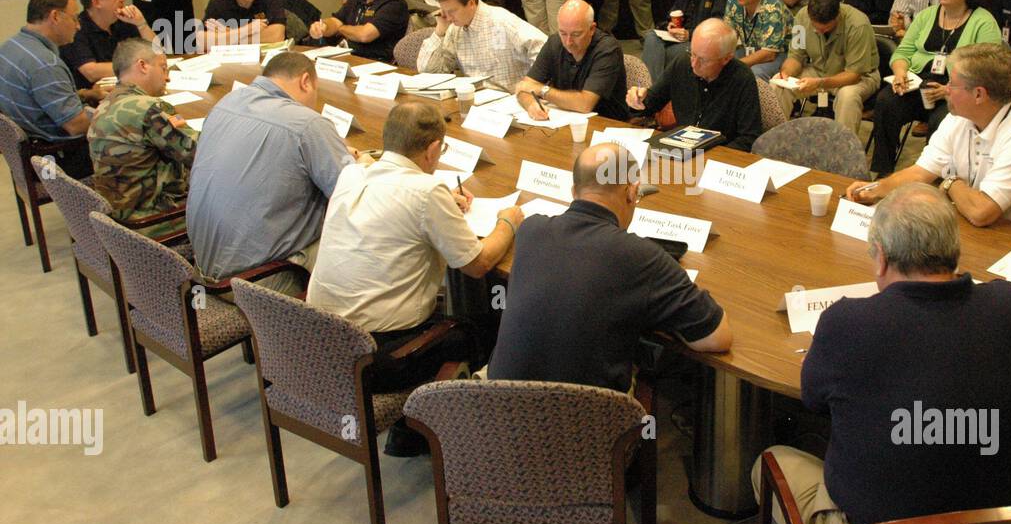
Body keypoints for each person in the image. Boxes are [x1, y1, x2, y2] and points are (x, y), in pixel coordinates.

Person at [753, 182, 1011, 524]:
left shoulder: (848, 323)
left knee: (769, 463)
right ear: (954, 250)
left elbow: (812, 400)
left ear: (881, 257)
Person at [307, 102, 523, 454]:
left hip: (324, 338)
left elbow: (394, 202)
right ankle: (423, 432)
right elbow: (478, 263)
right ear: (434, 148)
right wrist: (509, 221)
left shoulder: (352, 175)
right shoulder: (426, 192)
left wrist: (441, 206)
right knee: (481, 327)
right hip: (375, 355)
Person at [489, 143, 731, 392]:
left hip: (499, 415)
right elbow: (718, 337)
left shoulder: (531, 230)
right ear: (630, 192)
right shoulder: (643, 257)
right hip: (590, 425)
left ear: (574, 191)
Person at [187, 51, 357, 294]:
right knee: (363, 234)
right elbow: (351, 196)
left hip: (201, 273)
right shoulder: (307, 124)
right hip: (258, 287)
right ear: (305, 81)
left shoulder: (225, 103)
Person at [847, 44, 1011, 233]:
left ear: (979, 94)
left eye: (953, 84)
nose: (946, 90)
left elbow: (981, 211)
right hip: (973, 224)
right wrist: (872, 190)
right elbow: (920, 173)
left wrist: (949, 182)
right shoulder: (959, 118)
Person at [870, 0, 1002, 177]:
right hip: (917, 84)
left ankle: (933, 178)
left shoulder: (983, 21)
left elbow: (988, 67)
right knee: (886, 101)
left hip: (958, 91)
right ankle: (883, 171)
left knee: (941, 122)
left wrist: (950, 89)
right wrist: (900, 72)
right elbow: (903, 51)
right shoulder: (926, 16)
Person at [87, 39, 196, 238]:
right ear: (143, 66)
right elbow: (200, 155)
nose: (168, 78)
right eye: (164, 68)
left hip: (118, 219)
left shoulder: (105, 103)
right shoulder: (149, 109)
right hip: (154, 220)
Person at [0, 0, 100, 178]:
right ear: (55, 16)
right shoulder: (44, 64)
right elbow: (75, 125)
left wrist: (86, 94)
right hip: (57, 159)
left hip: (29, 153)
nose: (78, 26)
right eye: (74, 18)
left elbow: (37, 96)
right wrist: (116, 112)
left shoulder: (11, 47)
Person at [626, 18, 763, 152]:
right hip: (680, 149)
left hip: (718, 158)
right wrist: (637, 100)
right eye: (692, 54)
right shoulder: (682, 63)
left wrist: (710, 156)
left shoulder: (742, 78)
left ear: (726, 58)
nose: (694, 64)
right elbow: (651, 103)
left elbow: (749, 138)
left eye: (703, 60)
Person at [774, 0, 880, 140]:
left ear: (837, 15)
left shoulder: (858, 24)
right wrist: (786, 73)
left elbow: (854, 74)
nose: (819, 30)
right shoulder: (802, 17)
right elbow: (796, 56)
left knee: (848, 96)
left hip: (859, 76)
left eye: (825, 27)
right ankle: (775, 143)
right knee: (778, 86)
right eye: (815, 26)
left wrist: (820, 83)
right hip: (818, 70)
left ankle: (844, 152)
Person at [416, 0, 547, 91]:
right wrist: (439, 32)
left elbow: (544, 48)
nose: (448, 17)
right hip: (476, 99)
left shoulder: (501, 21)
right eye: (444, 11)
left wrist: (532, 84)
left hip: (510, 99)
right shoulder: (454, 29)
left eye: (452, 11)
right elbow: (429, 73)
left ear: (471, 3)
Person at [517, 0, 629, 121]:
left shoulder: (607, 49)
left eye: (576, 34)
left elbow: (585, 104)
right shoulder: (554, 42)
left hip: (606, 123)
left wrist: (542, 90)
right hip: (563, 119)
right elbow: (523, 88)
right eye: (563, 33)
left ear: (592, 29)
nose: (568, 42)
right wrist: (531, 105)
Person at [60, 0, 157, 87]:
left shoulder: (124, 20)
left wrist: (141, 24)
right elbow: (90, 71)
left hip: (130, 85)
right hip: (96, 96)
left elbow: (157, 53)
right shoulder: (76, 29)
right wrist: (137, 66)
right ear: (96, 2)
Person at [723, 0, 792, 82]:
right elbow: (727, 37)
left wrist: (736, 64)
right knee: (717, 65)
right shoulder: (733, 2)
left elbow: (769, 54)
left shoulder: (773, 8)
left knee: (755, 73)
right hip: (749, 49)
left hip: (779, 54)